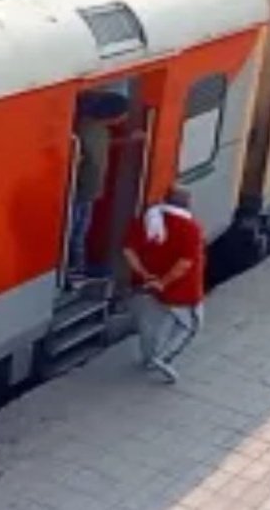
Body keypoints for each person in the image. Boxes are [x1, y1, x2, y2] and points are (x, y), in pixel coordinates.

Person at [123, 186, 206, 385]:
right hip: (182, 291)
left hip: (147, 287)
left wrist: (145, 275)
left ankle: (148, 359)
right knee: (190, 326)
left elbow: (128, 251)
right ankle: (162, 358)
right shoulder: (191, 228)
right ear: (187, 204)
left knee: (149, 327)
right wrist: (162, 282)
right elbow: (184, 264)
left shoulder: (147, 220)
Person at [68, 92, 127, 275]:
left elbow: (102, 146)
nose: (124, 118)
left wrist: (129, 140)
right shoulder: (85, 131)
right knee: (77, 232)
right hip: (80, 192)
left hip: (88, 191)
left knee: (79, 231)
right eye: (123, 114)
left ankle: (77, 266)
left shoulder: (95, 129)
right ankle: (77, 269)